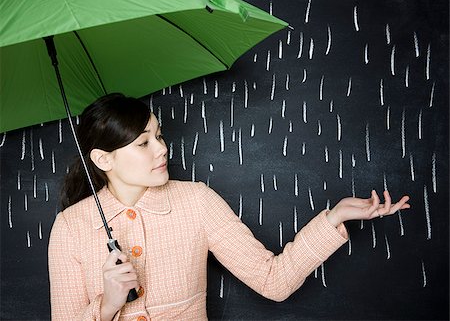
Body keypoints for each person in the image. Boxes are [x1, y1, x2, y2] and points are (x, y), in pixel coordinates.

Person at [48, 93, 410, 321]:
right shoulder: (70, 227)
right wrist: (108, 305)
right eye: (143, 144)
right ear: (103, 159)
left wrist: (335, 217)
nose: (162, 149)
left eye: (159, 136)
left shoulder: (197, 201)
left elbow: (274, 280)